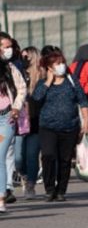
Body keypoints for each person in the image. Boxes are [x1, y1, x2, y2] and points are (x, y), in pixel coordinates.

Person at [33, 48, 88, 203]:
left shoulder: (72, 81)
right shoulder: (42, 83)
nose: (61, 66)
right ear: (49, 68)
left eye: (63, 63)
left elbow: (83, 101)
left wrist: (87, 121)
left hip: (70, 127)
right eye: (57, 64)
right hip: (48, 127)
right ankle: (49, 188)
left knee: (65, 160)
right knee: (48, 156)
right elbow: (36, 98)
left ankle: (61, 190)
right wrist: (48, 82)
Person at [0, 38, 27, 212]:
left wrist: (16, 108)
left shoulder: (9, 68)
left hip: (5, 119)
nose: (9, 50)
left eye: (10, 46)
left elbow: (22, 88)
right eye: (6, 46)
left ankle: (1, 199)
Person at [16, 47, 44, 199]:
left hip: (36, 121)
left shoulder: (42, 75)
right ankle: (24, 176)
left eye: (26, 57)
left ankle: (31, 184)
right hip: (20, 122)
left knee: (32, 155)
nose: (23, 60)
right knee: (18, 158)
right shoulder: (18, 73)